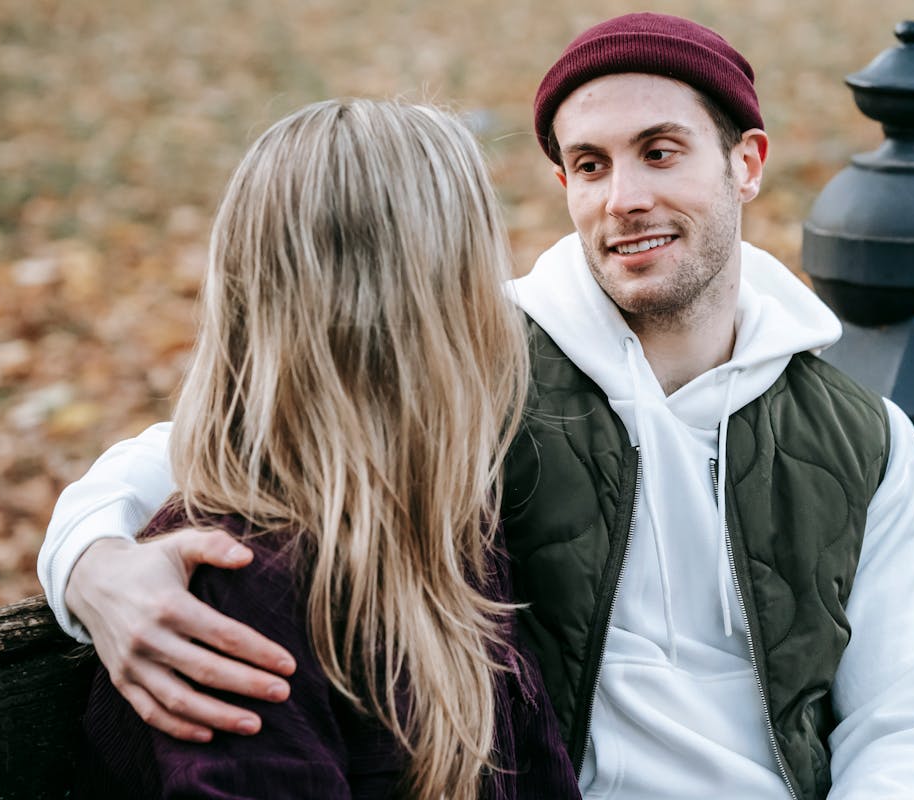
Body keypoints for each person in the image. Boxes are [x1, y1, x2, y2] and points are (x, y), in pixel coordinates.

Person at [40, 13, 914, 799]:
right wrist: (93, 563)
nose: (626, 198)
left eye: (661, 152)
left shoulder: (861, 436)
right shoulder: (473, 368)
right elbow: (239, 439)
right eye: (591, 164)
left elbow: (909, 709)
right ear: (563, 184)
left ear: (747, 163)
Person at [69, 98, 579, 799]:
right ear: (421, 310)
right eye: (480, 270)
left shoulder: (443, 517)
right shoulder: (237, 592)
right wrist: (87, 553)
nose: (501, 304)